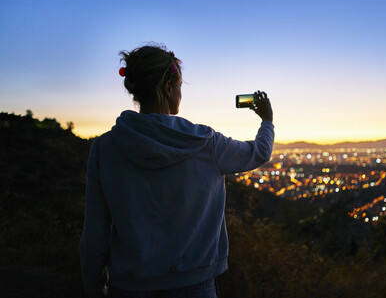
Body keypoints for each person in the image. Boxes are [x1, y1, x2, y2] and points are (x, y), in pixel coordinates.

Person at [78, 43, 274, 298]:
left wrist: (93, 288)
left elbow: (95, 235)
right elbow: (259, 152)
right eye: (180, 85)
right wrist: (267, 120)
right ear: (168, 87)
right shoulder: (205, 143)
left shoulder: (105, 148)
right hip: (194, 285)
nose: (181, 92)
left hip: (128, 287)